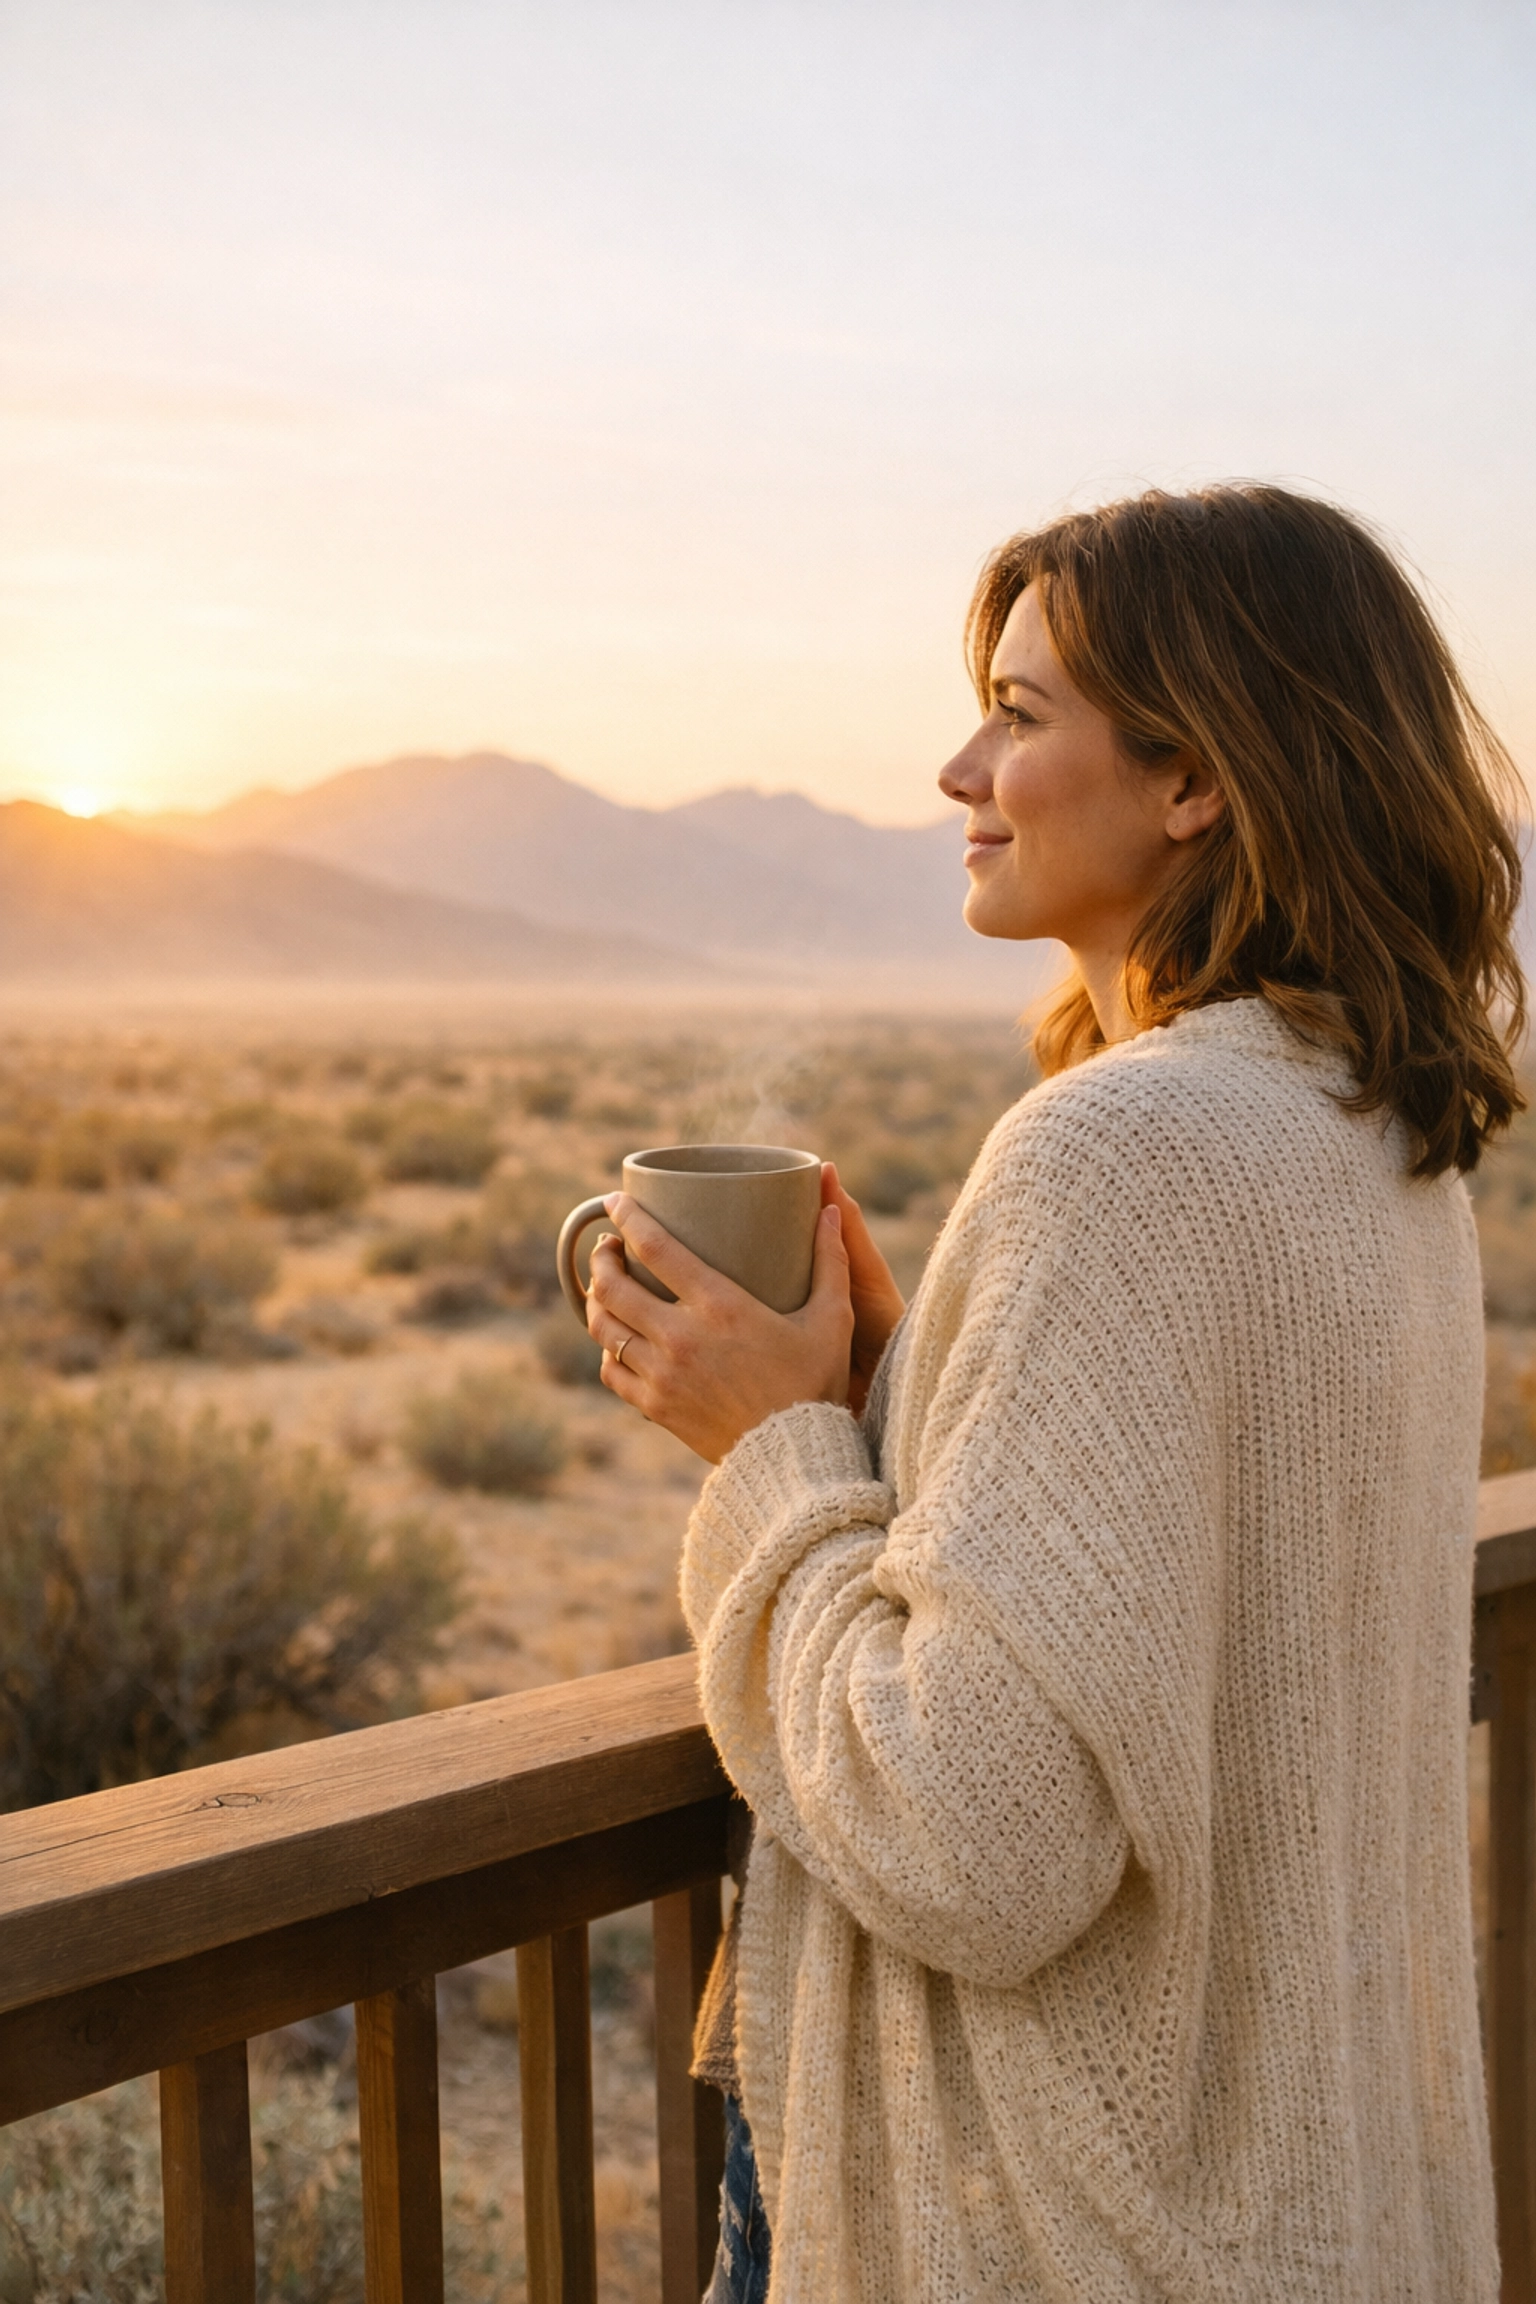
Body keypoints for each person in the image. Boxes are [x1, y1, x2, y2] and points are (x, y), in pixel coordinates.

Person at [585, 484, 1523, 2302]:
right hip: (1294, 2204)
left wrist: (769, 1456)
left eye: (1019, 716)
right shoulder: (1373, 1140)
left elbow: (981, 1838)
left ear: (1195, 780)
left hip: (1077, 2232)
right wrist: (884, 1413)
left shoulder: (1121, 1155)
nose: (958, 768)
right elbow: (1154, 1621)